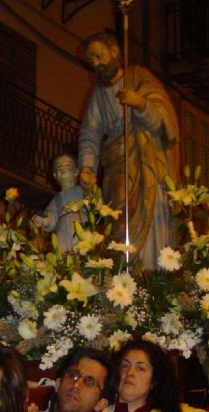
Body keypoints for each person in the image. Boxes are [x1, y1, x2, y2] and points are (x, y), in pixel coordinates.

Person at [78, 32, 179, 270]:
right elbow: (90, 134)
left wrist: (141, 104)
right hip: (117, 168)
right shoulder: (97, 95)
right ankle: (124, 276)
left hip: (147, 165)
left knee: (149, 216)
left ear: (114, 51)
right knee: (118, 221)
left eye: (98, 55)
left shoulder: (140, 78)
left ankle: (149, 274)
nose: (95, 63)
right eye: (90, 59)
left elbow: (165, 122)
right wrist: (86, 167)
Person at [31, 154, 86, 253]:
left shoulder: (82, 191)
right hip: (62, 231)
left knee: (81, 253)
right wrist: (44, 220)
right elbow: (51, 214)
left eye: (67, 165)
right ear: (55, 175)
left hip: (81, 225)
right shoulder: (57, 199)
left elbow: (94, 203)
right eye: (58, 167)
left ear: (76, 172)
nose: (62, 169)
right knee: (62, 258)